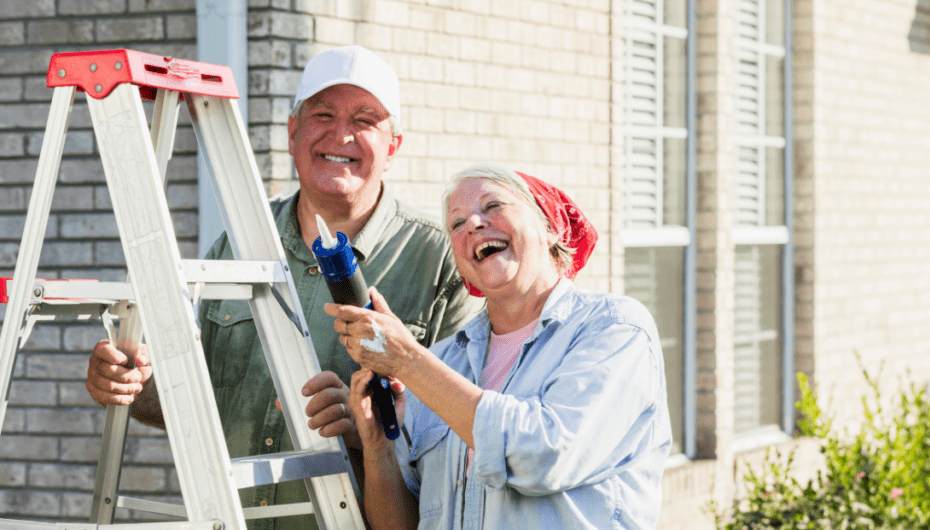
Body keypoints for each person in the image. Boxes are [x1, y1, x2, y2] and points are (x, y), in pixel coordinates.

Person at [84, 45, 482, 528]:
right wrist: (132, 382)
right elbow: (190, 401)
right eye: (322, 114)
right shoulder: (240, 241)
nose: (341, 134)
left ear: (393, 146)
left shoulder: (440, 258)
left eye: (365, 119)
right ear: (293, 132)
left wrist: (368, 427)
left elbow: (469, 429)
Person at [329, 163, 672, 529]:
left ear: (549, 226)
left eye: (493, 206)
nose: (473, 224)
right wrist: (378, 446)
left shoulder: (614, 329)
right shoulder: (446, 361)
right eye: (457, 224)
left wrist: (408, 360)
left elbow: (542, 456)